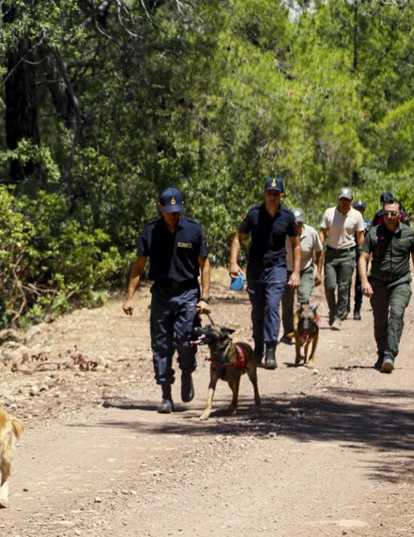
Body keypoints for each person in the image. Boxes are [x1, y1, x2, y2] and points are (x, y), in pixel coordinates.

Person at [122, 187, 211, 414]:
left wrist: (205, 298)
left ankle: (187, 371)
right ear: (160, 207)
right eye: (169, 211)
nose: (174, 215)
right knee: (161, 345)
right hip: (161, 293)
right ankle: (165, 395)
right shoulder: (150, 232)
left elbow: (205, 264)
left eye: (177, 210)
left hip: (188, 292)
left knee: (185, 340)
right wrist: (129, 297)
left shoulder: (193, 230)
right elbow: (139, 266)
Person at [228, 177, 301, 370]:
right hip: (255, 268)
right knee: (258, 309)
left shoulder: (287, 217)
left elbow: (296, 245)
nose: (272, 197)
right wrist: (233, 263)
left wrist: (296, 272)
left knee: (272, 306)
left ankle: (270, 350)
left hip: (277, 267)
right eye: (269, 193)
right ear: (264, 194)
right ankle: (258, 346)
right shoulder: (253, 215)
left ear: (282, 196)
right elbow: (238, 239)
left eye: (276, 194)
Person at [359, 199, 414, 373]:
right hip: (378, 282)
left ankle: (390, 354)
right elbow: (363, 258)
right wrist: (364, 281)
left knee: (396, 314)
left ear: (400, 215)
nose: (389, 216)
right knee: (380, 321)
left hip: (400, 281)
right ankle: (381, 354)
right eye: (385, 213)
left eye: (393, 213)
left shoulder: (409, 234)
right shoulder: (373, 233)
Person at [318, 188, 366, 329]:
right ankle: (333, 312)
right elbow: (322, 231)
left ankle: (338, 317)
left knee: (344, 287)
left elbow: (360, 237)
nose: (344, 202)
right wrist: (319, 246)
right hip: (331, 254)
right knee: (330, 286)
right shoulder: (329, 213)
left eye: (347, 199)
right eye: (342, 199)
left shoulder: (356, 215)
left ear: (351, 200)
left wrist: (363, 254)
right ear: (338, 199)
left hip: (348, 254)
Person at [281, 209, 323, 343]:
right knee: (287, 302)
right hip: (287, 269)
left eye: (298, 224)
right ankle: (288, 332)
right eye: (293, 223)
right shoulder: (283, 234)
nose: (296, 226)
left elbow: (320, 251)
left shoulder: (311, 233)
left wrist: (319, 272)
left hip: (305, 269)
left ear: (303, 223)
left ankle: (306, 331)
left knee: (304, 300)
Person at [351, 200, 368, 320]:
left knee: (359, 282)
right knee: (345, 280)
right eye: (357, 208)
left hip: (363, 252)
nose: (359, 211)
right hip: (350, 250)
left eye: (361, 209)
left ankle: (357, 309)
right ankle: (345, 306)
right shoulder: (349, 220)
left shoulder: (368, 223)